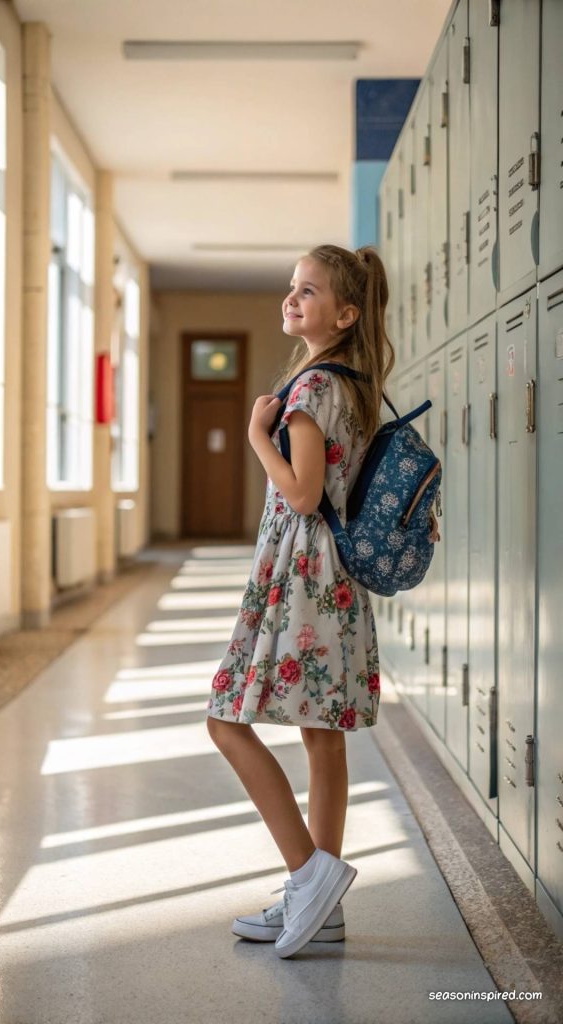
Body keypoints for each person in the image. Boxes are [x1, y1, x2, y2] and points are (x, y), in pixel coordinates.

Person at [206, 243, 423, 958]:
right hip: (333, 582)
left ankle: (309, 872)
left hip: (299, 578)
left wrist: (253, 436)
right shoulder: (354, 385)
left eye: (310, 290)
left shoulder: (310, 390)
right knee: (321, 738)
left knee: (225, 721)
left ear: (346, 312)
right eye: (291, 287)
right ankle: (318, 907)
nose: (292, 298)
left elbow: (300, 493)